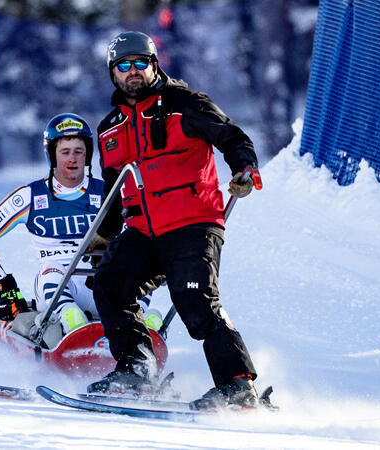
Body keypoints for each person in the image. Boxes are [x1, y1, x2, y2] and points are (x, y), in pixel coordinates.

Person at [87, 31, 262, 410]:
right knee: (111, 283)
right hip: (143, 230)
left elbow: (232, 137)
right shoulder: (109, 129)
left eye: (140, 63)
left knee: (195, 300)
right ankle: (137, 369)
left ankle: (237, 385)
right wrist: (104, 235)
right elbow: (115, 190)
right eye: (123, 66)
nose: (132, 72)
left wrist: (244, 169)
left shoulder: (186, 103)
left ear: (153, 65)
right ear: (113, 73)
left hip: (193, 222)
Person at [0, 113, 162, 349]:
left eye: (79, 151)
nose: (72, 159)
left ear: (87, 154)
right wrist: (4, 284)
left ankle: (144, 326)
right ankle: (72, 324)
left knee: (134, 267)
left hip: (102, 282)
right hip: (57, 284)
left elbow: (147, 227)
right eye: (65, 151)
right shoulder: (31, 195)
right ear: (52, 154)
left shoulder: (108, 192)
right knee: (53, 272)